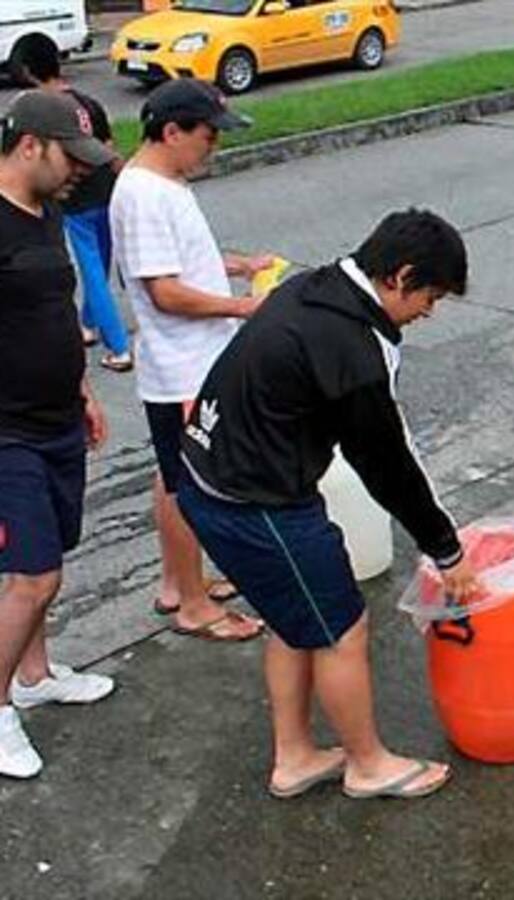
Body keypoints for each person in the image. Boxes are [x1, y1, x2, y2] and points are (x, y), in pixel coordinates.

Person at [176, 209, 479, 800]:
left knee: (294, 622)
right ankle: (368, 765)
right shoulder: (349, 347)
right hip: (256, 504)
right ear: (400, 276)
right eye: (430, 296)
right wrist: (446, 549)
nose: (428, 312)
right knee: (342, 627)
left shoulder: (313, 288)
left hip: (207, 481)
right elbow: (386, 465)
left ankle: (294, 756)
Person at [110, 79, 272, 642]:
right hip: (182, 367)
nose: (214, 147)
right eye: (208, 136)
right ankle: (194, 606)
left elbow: (184, 263)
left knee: (173, 475)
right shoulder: (145, 195)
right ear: (172, 131)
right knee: (191, 486)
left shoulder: (164, 183)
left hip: (189, 363)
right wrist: (245, 308)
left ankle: (179, 583)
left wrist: (238, 264)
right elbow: (164, 293)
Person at [0, 91, 116, 779]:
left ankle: (35, 675)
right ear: (29, 146)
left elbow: (51, 313)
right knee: (33, 577)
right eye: (70, 157)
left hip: (56, 421)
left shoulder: (45, 213)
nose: (79, 170)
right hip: (6, 432)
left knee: (45, 567)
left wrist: (82, 389)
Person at [14, 34, 133, 372]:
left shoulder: (36, 110)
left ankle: (119, 347)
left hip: (76, 203)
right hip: (107, 194)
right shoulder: (88, 102)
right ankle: (88, 325)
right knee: (102, 268)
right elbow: (108, 147)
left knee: (92, 273)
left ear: (26, 69)